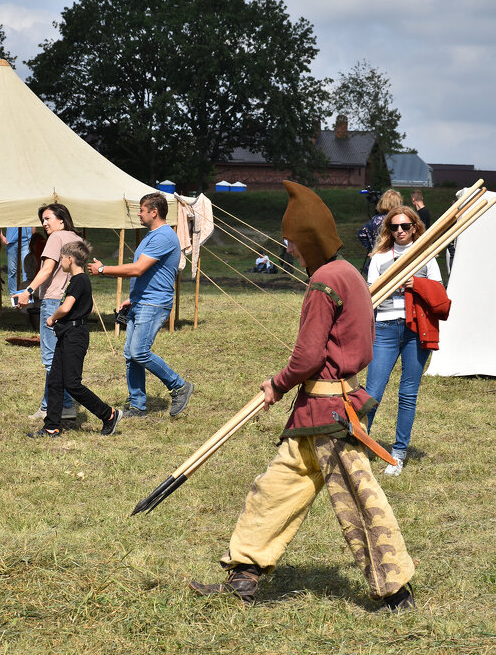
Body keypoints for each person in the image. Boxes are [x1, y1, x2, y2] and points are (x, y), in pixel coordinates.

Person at [190, 181, 415, 612]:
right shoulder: (350, 272)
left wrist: (276, 384)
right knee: (274, 489)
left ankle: (396, 591)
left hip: (330, 414)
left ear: (309, 238)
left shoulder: (323, 282)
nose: (289, 249)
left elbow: (308, 355)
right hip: (320, 412)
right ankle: (244, 574)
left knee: (359, 499)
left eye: (292, 240)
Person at [87, 192, 193, 418]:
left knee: (139, 351)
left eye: (142, 210)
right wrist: (132, 297)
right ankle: (137, 405)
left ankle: (179, 386)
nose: (138, 213)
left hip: (154, 303)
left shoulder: (163, 236)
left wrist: (103, 270)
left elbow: (137, 269)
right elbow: (147, 273)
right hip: (142, 301)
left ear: (154, 212)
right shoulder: (151, 236)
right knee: (130, 354)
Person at [365, 206, 450, 476]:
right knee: (372, 393)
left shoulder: (425, 256)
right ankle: (357, 445)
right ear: (388, 230)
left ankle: (398, 453)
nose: (399, 231)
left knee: (408, 394)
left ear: (415, 227)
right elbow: (370, 296)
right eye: (394, 227)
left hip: (416, 330)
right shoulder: (379, 258)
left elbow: (440, 296)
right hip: (385, 328)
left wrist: (418, 284)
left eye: (405, 226)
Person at [28, 241, 123, 438]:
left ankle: (109, 414)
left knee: (72, 383)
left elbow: (65, 307)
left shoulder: (79, 280)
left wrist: (52, 318)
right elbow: (89, 308)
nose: (60, 261)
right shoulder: (78, 280)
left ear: (70, 259)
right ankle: (51, 427)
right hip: (67, 334)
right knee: (55, 381)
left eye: (62, 258)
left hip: (75, 337)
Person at [17, 204, 83, 421]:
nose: (44, 224)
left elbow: (46, 269)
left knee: (51, 359)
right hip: (72, 302)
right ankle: (49, 406)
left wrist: (28, 291)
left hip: (54, 302)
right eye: (42, 220)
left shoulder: (56, 239)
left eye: (48, 219)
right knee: (60, 356)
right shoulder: (77, 239)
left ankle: (63, 405)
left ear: (61, 220)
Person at [357, 189, 403, 255]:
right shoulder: (397, 219)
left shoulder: (375, 219)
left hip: (377, 253)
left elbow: (361, 233)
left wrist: (371, 248)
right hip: (392, 254)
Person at [0, 226, 35, 295]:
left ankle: (27, 294)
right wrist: (1, 236)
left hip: (26, 240)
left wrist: (33, 237)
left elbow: (32, 224)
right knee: (12, 270)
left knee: (27, 269)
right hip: (11, 241)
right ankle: (13, 295)